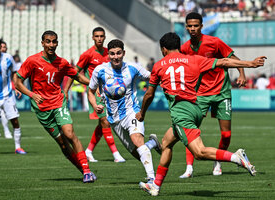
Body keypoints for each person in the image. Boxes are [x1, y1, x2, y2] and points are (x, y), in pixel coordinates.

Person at [137, 32, 265, 196]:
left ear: (163, 49)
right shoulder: (194, 59)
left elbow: (149, 94)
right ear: (178, 46)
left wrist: (142, 113)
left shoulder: (159, 65)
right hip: (196, 108)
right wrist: (251, 64)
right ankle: (155, 185)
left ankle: (236, 157)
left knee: (199, 152)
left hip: (181, 112)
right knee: (166, 143)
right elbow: (224, 61)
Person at [15, 30, 96, 183]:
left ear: (57, 43)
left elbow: (77, 76)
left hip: (58, 103)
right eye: (48, 41)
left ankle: (86, 171)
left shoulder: (62, 63)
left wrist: (95, 83)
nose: (51, 45)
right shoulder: (32, 61)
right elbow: (17, 82)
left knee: (70, 134)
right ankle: (84, 170)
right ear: (42, 43)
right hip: (42, 110)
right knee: (63, 145)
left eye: (54, 42)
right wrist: (31, 94)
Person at [178, 12, 247, 178]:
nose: (193, 29)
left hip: (222, 92)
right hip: (200, 94)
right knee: (191, 131)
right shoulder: (186, 48)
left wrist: (242, 74)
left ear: (202, 26)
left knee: (226, 134)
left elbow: (233, 58)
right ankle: (189, 168)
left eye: (196, 25)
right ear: (186, 27)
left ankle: (218, 161)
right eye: (190, 26)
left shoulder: (214, 42)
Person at [88, 39, 162, 181]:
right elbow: (90, 91)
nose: (116, 56)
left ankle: (152, 179)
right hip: (114, 118)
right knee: (135, 152)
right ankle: (152, 143)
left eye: (118, 53)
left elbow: (152, 76)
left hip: (131, 111)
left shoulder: (133, 68)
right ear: (108, 55)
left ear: (124, 53)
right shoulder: (100, 70)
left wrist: (165, 77)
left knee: (137, 140)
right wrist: (94, 105)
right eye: (112, 54)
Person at [64, 27, 125, 163]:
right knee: (105, 121)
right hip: (95, 92)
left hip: (109, 93)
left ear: (104, 37)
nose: (99, 38)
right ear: (92, 37)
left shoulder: (108, 53)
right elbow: (74, 72)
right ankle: (115, 154)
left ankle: (89, 151)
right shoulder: (88, 54)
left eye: (101, 36)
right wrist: (66, 90)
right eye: (96, 36)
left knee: (103, 123)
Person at [0, 40, 13, 139]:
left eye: (4, 47)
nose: (3, 49)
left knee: (5, 112)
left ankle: (4, 130)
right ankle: (1, 130)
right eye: (2, 47)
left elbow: (13, 73)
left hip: (7, 90)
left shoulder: (9, 59)